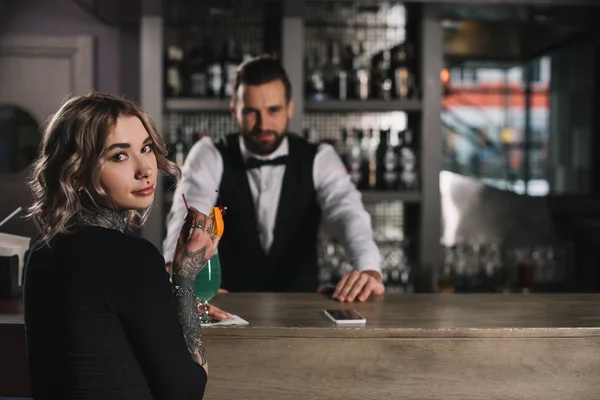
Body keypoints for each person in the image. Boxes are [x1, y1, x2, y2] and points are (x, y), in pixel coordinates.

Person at [24, 92, 219, 399]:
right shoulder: (133, 259)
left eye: (146, 148)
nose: (145, 169)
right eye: (119, 156)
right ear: (76, 177)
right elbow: (189, 390)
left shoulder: (41, 248)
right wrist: (184, 276)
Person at [162, 56, 384, 308]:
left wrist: (368, 267)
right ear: (234, 110)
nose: (263, 124)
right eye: (251, 112)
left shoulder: (320, 157)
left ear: (290, 108)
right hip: (228, 308)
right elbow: (190, 213)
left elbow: (347, 212)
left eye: (273, 110)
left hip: (302, 311)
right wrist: (175, 267)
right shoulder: (210, 153)